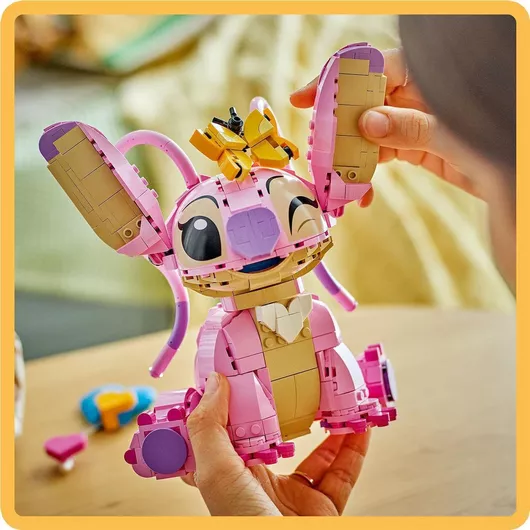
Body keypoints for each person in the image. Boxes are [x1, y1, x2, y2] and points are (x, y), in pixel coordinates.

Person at [181, 15, 516, 515]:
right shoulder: (230, 334)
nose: (257, 239)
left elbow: (331, 356)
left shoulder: (313, 314)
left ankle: (346, 404)